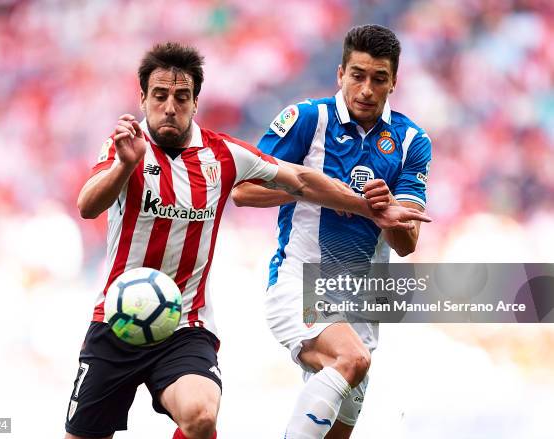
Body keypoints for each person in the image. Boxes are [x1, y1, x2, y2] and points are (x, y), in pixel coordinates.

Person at [65, 41, 430, 439]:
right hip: (117, 321)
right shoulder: (125, 147)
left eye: (181, 96)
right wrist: (124, 165)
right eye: (160, 95)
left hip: (186, 324)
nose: (170, 106)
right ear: (143, 98)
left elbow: (302, 179)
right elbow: (87, 205)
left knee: (202, 417)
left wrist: (368, 208)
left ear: (196, 101)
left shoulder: (224, 154)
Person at [232, 24, 432, 439]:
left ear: (394, 81)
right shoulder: (308, 120)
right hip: (299, 281)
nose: (366, 89)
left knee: (339, 424)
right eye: (357, 75)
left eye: (379, 79)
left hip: (362, 300)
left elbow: (407, 242)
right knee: (352, 359)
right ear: (340, 73)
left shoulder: (412, 140)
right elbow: (243, 190)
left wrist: (386, 209)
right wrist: (311, 187)